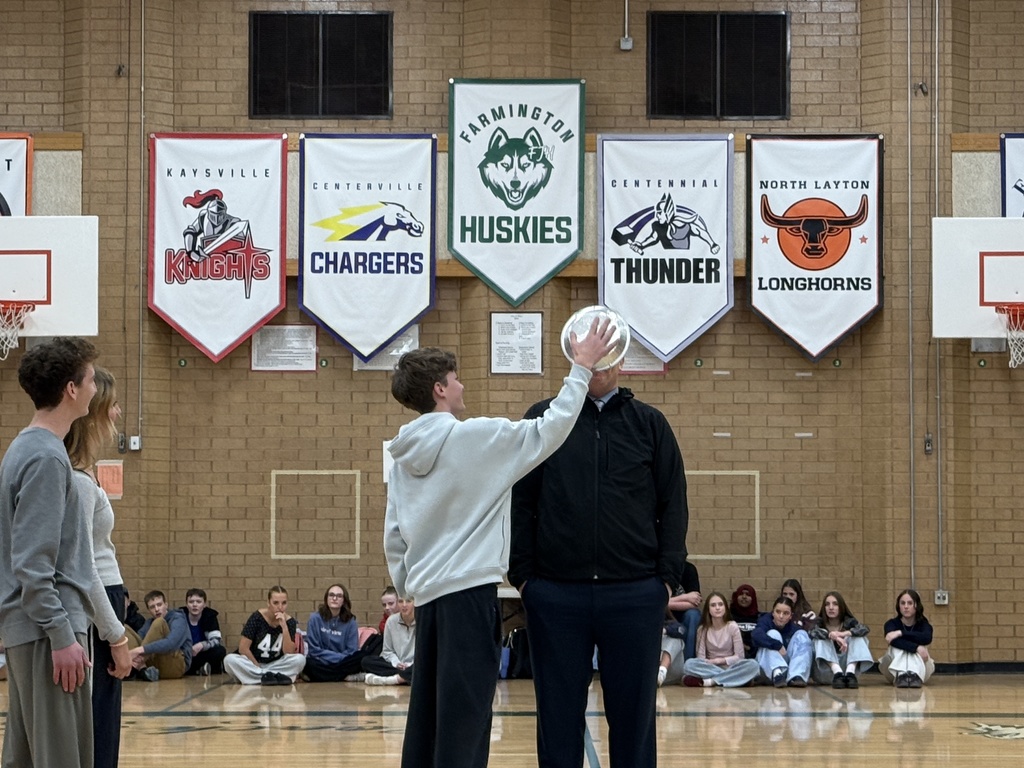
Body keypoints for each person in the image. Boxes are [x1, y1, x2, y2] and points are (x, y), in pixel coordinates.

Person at [383, 318, 617, 768]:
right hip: (468, 598)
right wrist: (581, 367)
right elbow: (550, 429)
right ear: (439, 390)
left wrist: (410, 588)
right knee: (467, 720)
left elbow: (394, 535)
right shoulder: (473, 437)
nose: (462, 384)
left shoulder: (401, 454)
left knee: (428, 720)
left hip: (429, 602)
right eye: (455, 379)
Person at [510, 344, 689, 768]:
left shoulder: (649, 424)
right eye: (588, 359)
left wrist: (664, 579)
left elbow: (674, 503)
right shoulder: (542, 419)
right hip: (554, 595)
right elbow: (517, 500)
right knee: (556, 717)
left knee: (633, 719)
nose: (597, 368)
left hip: (635, 594)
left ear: (622, 361)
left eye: (607, 359)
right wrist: (524, 577)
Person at [0, 337, 130, 766]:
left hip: (32, 629)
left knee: (25, 758)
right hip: (45, 632)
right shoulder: (46, 459)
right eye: (91, 378)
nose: (96, 389)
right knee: (62, 758)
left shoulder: (30, 448)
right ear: (71, 389)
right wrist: (61, 634)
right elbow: (33, 562)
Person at [63, 364, 133, 768]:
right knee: (99, 728)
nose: (118, 413)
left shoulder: (86, 473)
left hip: (106, 598)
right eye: (113, 405)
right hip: (97, 603)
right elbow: (84, 565)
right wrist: (116, 637)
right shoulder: (77, 478)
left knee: (104, 725)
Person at [673, 592, 761, 688]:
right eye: (713, 605)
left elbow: (739, 657)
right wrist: (712, 663)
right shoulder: (703, 629)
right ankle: (736, 679)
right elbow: (701, 658)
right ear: (708, 609)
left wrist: (717, 661)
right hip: (710, 667)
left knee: (753, 665)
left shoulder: (733, 626)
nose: (717, 608)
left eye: (720, 604)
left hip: (731, 666)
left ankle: (712, 681)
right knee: (688, 665)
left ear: (725, 608)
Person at [223, 586, 305, 685]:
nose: (280, 607)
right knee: (229, 660)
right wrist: (257, 667)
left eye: (284, 603)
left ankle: (257, 679)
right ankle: (271, 677)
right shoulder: (257, 617)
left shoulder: (290, 622)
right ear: (268, 603)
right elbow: (243, 648)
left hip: (276, 664)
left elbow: (289, 652)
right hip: (254, 663)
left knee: (300, 659)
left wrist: (284, 627)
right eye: (275, 603)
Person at [302, 583, 369, 682]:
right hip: (321, 661)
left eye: (339, 596)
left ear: (344, 600)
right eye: (331, 595)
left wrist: (339, 660)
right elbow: (314, 650)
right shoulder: (314, 619)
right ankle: (344, 677)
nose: (334, 598)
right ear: (326, 598)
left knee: (362, 656)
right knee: (307, 662)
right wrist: (336, 659)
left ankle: (322, 676)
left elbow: (352, 651)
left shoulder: (351, 621)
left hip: (343, 662)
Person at [809, 591, 873, 688]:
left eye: (835, 604)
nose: (831, 607)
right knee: (820, 638)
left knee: (858, 637)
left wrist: (844, 633)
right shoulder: (819, 622)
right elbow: (812, 632)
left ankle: (850, 673)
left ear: (841, 607)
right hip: (825, 672)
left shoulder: (849, 621)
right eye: (827, 604)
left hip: (846, 674)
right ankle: (837, 672)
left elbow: (865, 629)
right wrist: (831, 635)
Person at [128, 589, 192, 681]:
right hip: (154, 663)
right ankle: (141, 669)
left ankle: (134, 669)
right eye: (152, 607)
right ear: (148, 610)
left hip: (176, 665)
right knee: (125, 628)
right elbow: (138, 639)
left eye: (159, 605)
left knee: (159, 622)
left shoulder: (178, 619)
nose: (156, 609)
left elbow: (171, 643)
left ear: (166, 605)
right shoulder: (149, 622)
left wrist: (139, 650)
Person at [878, 588, 934, 688]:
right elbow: (893, 641)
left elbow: (927, 638)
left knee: (914, 650)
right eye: (903, 603)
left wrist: (900, 633)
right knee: (898, 648)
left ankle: (913, 675)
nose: (906, 607)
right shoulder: (891, 624)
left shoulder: (924, 624)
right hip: (892, 670)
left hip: (921, 669)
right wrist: (916, 648)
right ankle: (902, 675)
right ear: (898, 606)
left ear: (916, 605)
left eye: (910, 603)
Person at [752, 596, 813, 687]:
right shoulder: (765, 620)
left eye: (785, 613)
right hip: (765, 667)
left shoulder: (793, 628)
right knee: (773, 634)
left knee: (802, 634)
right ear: (772, 613)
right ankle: (777, 674)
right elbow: (756, 634)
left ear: (790, 616)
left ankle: (796, 676)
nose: (781, 616)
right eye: (778, 612)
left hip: (785, 669)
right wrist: (778, 645)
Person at [362, 597, 415, 685]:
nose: (404, 605)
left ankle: (392, 679)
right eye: (401, 601)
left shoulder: (423, 620)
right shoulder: (391, 621)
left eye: (408, 601)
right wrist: (397, 663)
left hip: (415, 665)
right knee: (366, 661)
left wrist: (410, 665)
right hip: (396, 665)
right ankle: (407, 677)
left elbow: (426, 653)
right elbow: (387, 651)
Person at [181, 588, 227, 675]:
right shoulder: (180, 617)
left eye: (198, 602)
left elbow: (216, 640)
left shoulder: (210, 616)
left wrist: (202, 645)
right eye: (191, 602)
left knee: (220, 651)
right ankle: (199, 669)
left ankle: (204, 670)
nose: (195, 605)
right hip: (186, 653)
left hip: (202, 653)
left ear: (204, 604)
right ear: (186, 604)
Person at [665, 560, 701, 661]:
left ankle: (688, 662)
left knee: (693, 615)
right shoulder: (658, 570)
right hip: (663, 615)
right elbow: (654, 602)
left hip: (684, 614)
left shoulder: (688, 569)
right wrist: (685, 596)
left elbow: (695, 603)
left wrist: (666, 603)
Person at [730, 584, 761, 658]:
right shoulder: (729, 617)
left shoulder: (760, 618)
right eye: (741, 594)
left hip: (756, 655)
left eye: (748, 594)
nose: (744, 597)